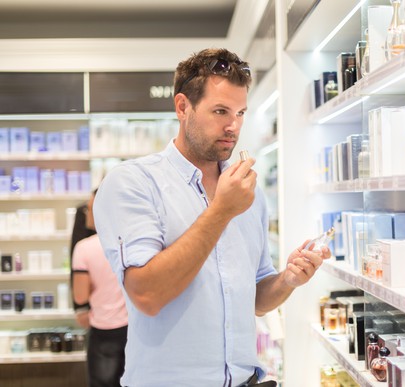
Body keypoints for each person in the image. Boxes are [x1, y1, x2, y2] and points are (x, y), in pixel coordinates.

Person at [93, 47, 331, 387]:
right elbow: (147, 295)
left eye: (240, 113)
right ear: (182, 107)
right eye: (220, 111)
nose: (232, 126)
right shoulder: (133, 182)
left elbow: (257, 302)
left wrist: (286, 280)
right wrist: (221, 210)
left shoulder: (248, 192)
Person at [72, 189, 128, 387]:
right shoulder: (128, 243)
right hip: (133, 328)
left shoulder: (83, 248)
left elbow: (80, 295)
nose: (86, 213)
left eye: (89, 208)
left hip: (103, 329)